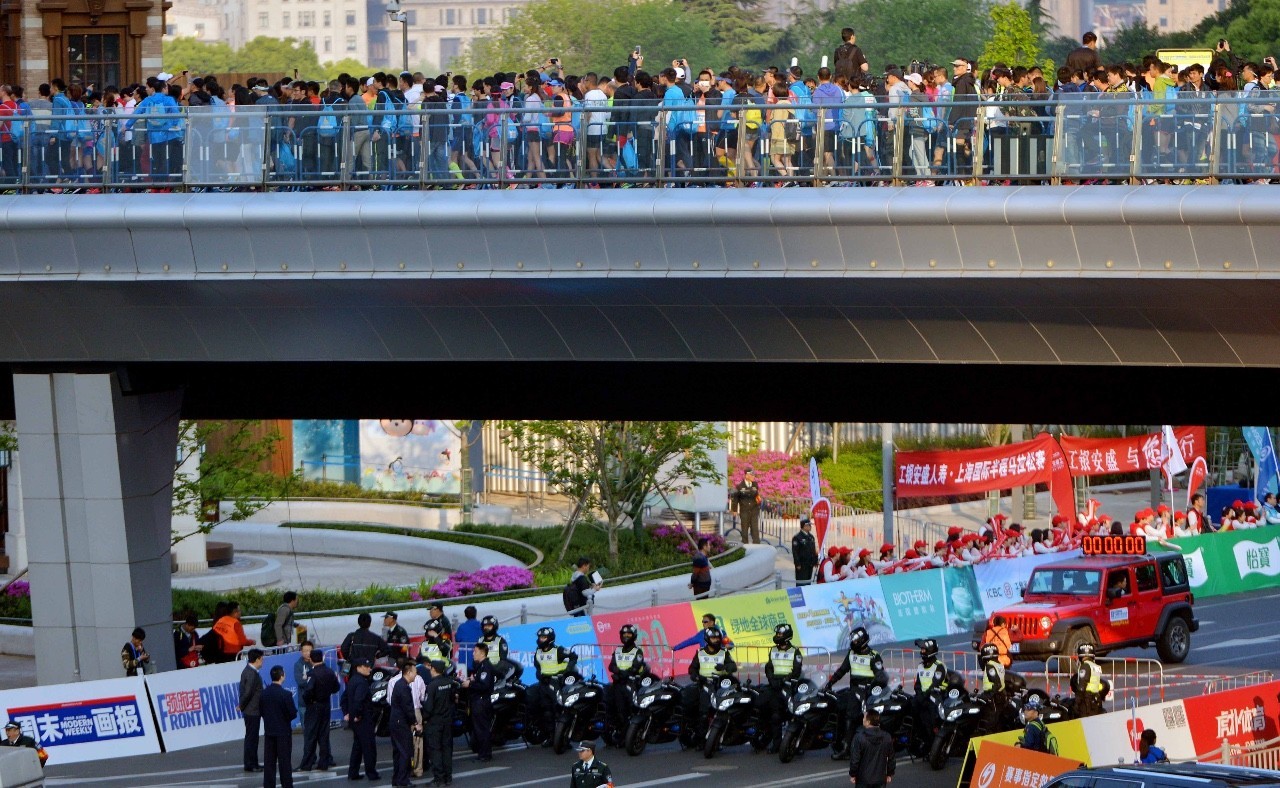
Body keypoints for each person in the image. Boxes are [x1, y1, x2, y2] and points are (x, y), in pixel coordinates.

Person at [827, 627, 886, 760]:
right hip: (855, 690)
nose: (853, 642)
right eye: (852, 640)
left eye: (855, 640)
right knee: (847, 714)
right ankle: (845, 748)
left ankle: (875, 748)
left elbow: (880, 676)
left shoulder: (874, 656)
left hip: (870, 692)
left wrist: (872, 690)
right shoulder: (851, 654)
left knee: (871, 719)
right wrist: (830, 683)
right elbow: (842, 670)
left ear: (862, 641)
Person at [683, 627, 737, 740]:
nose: (716, 640)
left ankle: (722, 734)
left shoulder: (724, 652)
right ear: (707, 638)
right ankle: (696, 734)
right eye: (713, 638)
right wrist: (695, 676)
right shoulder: (700, 652)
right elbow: (692, 668)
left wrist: (724, 667)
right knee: (692, 704)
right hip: (703, 683)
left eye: (718, 638)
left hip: (720, 685)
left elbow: (733, 667)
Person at [527, 627, 579, 740]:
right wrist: (540, 675)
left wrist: (567, 672)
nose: (541, 639)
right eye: (540, 637)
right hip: (544, 682)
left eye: (544, 637)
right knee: (546, 710)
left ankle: (563, 737)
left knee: (557, 709)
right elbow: (538, 666)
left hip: (556, 682)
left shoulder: (558, 650)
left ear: (550, 638)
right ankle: (550, 736)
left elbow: (573, 657)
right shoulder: (538, 651)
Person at [761, 623, 803, 752]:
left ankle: (795, 744)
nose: (777, 636)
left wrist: (784, 680)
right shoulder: (773, 650)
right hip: (774, 685)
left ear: (786, 636)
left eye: (779, 634)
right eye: (777, 634)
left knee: (793, 715)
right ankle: (775, 743)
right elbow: (769, 667)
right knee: (773, 714)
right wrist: (772, 679)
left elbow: (796, 671)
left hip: (788, 686)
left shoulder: (795, 651)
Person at [297, 649, 339, 772]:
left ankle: (307, 764)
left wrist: (308, 700)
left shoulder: (312, 674)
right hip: (326, 704)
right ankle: (324, 762)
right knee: (324, 735)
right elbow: (336, 687)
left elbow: (308, 691)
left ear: (311, 659)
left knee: (310, 735)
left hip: (314, 705)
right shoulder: (330, 671)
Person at [606, 624, 648, 740]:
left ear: (634, 636)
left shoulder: (637, 651)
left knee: (628, 709)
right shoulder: (617, 650)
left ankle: (630, 732)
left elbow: (635, 667)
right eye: (624, 634)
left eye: (629, 634)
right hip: (617, 683)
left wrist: (623, 673)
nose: (626, 636)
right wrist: (618, 672)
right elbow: (611, 666)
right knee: (610, 705)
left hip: (631, 683)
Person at [343, 658, 380, 782]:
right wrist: (358, 714)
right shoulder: (362, 683)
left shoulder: (353, 680)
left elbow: (344, 698)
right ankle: (371, 773)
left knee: (357, 746)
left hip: (355, 720)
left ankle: (353, 772)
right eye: (366, 666)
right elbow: (359, 700)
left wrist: (347, 713)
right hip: (363, 719)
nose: (369, 668)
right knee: (369, 747)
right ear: (359, 667)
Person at [421, 659, 457, 786]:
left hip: (435, 722)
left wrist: (423, 719)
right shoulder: (449, 683)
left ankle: (439, 778)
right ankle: (448, 776)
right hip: (447, 721)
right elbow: (453, 700)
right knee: (447, 749)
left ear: (434, 669)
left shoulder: (432, 686)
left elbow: (428, 707)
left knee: (435, 750)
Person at [262, 665, 298, 788]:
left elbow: (261, 710)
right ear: (282, 676)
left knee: (269, 763)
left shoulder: (264, 693)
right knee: (285, 763)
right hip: (283, 732)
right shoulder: (286, 694)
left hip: (269, 731)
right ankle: (287, 785)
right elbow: (292, 713)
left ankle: (268, 785)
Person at [910, 639, 947, 755]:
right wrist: (919, 694)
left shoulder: (939, 666)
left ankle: (935, 746)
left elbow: (934, 685)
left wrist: (924, 696)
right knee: (911, 707)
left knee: (932, 722)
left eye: (924, 650)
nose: (921, 652)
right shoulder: (920, 666)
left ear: (930, 651)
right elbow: (918, 684)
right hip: (923, 698)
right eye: (921, 649)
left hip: (936, 698)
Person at [389, 661, 421, 788]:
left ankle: (397, 779)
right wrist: (415, 723)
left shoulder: (399, 684)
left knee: (398, 752)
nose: (416, 675)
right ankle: (402, 780)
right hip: (400, 723)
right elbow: (408, 708)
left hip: (395, 722)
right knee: (405, 752)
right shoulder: (404, 687)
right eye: (415, 672)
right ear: (408, 672)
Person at [464, 643, 496, 762]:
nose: (473, 654)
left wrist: (470, 684)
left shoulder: (485, 667)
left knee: (482, 728)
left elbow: (484, 685)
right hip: (478, 700)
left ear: (482, 653)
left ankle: (484, 754)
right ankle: (483, 752)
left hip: (481, 701)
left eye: (475, 651)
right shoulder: (480, 666)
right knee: (479, 728)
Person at [848, 710, 894, 787]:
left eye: (864, 718)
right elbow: (891, 758)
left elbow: (855, 759)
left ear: (868, 722)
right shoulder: (887, 737)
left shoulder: (859, 737)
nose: (863, 719)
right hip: (880, 779)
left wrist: (853, 774)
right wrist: (890, 773)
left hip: (863, 779)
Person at [240, 649, 265, 773]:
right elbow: (248, 692)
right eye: (261, 659)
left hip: (251, 709)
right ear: (257, 659)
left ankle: (252, 762)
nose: (263, 661)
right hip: (252, 710)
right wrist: (242, 705)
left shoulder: (250, 671)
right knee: (252, 738)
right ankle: (251, 764)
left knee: (252, 738)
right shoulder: (251, 673)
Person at [1070, 642, 1106, 717]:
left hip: (1086, 702)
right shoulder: (1095, 666)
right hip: (1095, 699)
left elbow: (1081, 687)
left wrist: (1077, 703)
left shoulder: (1085, 666)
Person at [733, 468, 762, 544]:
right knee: (744, 529)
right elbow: (735, 499)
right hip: (744, 511)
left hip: (754, 510)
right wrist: (734, 510)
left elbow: (757, 496)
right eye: (751, 475)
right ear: (746, 475)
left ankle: (757, 544)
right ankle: (745, 544)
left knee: (755, 528)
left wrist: (759, 504)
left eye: (754, 475)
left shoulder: (755, 484)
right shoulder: (739, 486)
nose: (753, 477)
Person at [292, 641, 314, 730]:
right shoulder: (298, 665)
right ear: (301, 652)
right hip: (304, 702)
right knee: (306, 729)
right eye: (305, 651)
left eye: (310, 650)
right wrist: (313, 680)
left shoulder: (316, 662)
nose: (308, 653)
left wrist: (307, 678)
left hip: (316, 702)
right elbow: (300, 682)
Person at [792, 518, 819, 585]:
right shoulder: (797, 537)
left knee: (808, 582)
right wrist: (797, 564)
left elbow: (813, 550)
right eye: (809, 525)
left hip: (809, 564)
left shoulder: (811, 537)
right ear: (804, 526)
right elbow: (795, 552)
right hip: (802, 564)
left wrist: (815, 560)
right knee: (801, 582)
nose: (810, 527)